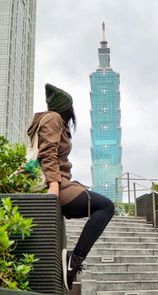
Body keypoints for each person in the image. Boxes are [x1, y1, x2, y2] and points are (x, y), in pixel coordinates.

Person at [27, 83, 115, 290]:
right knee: (105, 207)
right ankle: (73, 262)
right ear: (66, 108)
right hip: (56, 184)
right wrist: (54, 187)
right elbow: (47, 153)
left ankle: (73, 261)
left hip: (60, 182)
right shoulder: (53, 118)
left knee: (102, 206)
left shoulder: (50, 120)